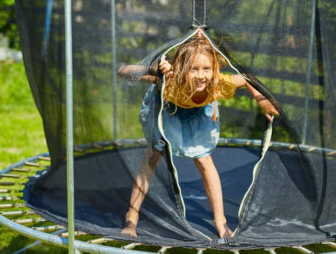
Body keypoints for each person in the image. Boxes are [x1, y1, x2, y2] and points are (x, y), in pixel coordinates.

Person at [117, 30, 279, 238]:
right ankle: (132, 217)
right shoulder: (170, 79)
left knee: (204, 160)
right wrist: (154, 68)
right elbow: (123, 71)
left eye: (206, 69)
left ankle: (220, 222)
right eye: (193, 69)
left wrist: (260, 98)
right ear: (181, 69)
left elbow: (246, 78)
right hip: (168, 110)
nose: (201, 76)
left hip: (200, 112)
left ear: (215, 69)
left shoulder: (219, 82)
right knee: (153, 155)